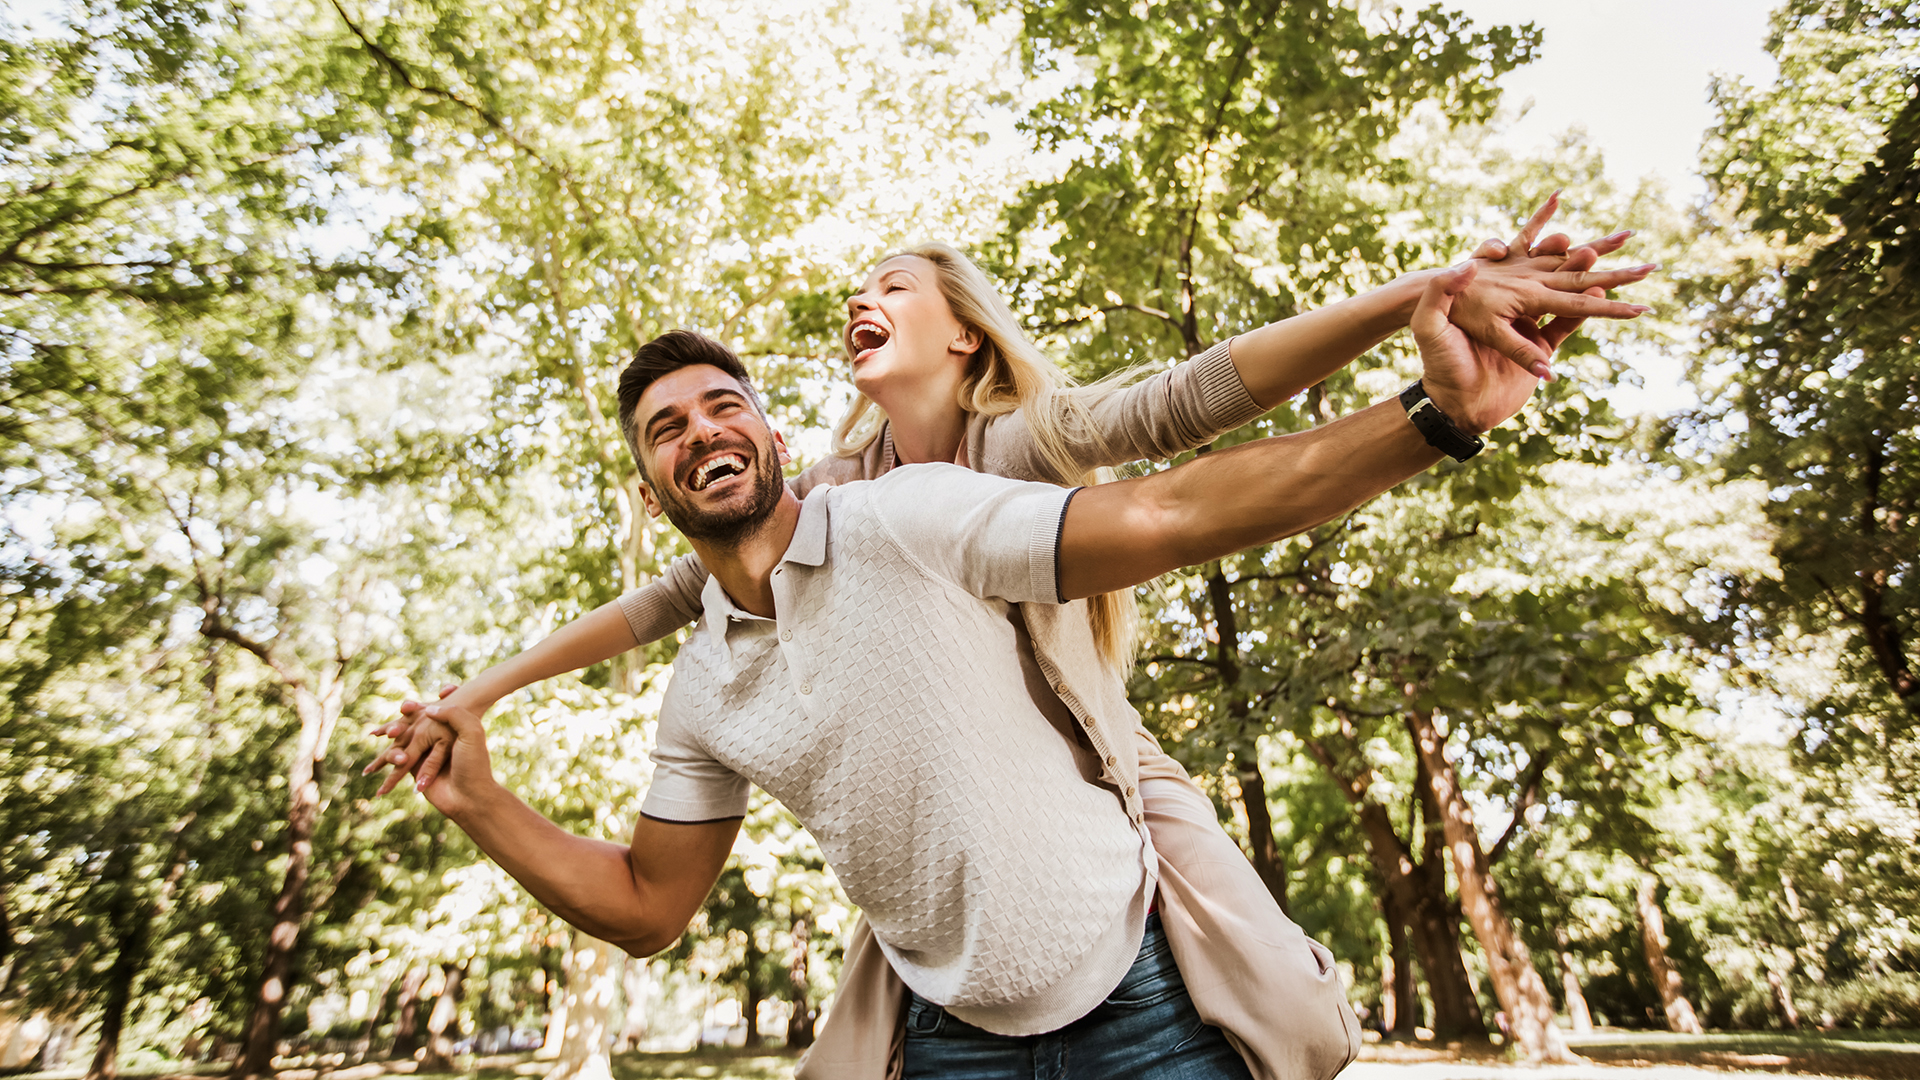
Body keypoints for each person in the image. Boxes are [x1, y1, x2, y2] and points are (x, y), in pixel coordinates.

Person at [369, 198, 1653, 1078]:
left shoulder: (982, 467)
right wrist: (475, 721)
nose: (861, 304)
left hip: (1107, 798)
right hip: (945, 963)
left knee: (1235, 939)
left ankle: (1268, 995)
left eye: (726, 404)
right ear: (652, 476)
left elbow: (1186, 451)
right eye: (667, 428)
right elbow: (661, 613)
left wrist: (1425, 360)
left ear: (964, 328)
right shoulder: (836, 486)